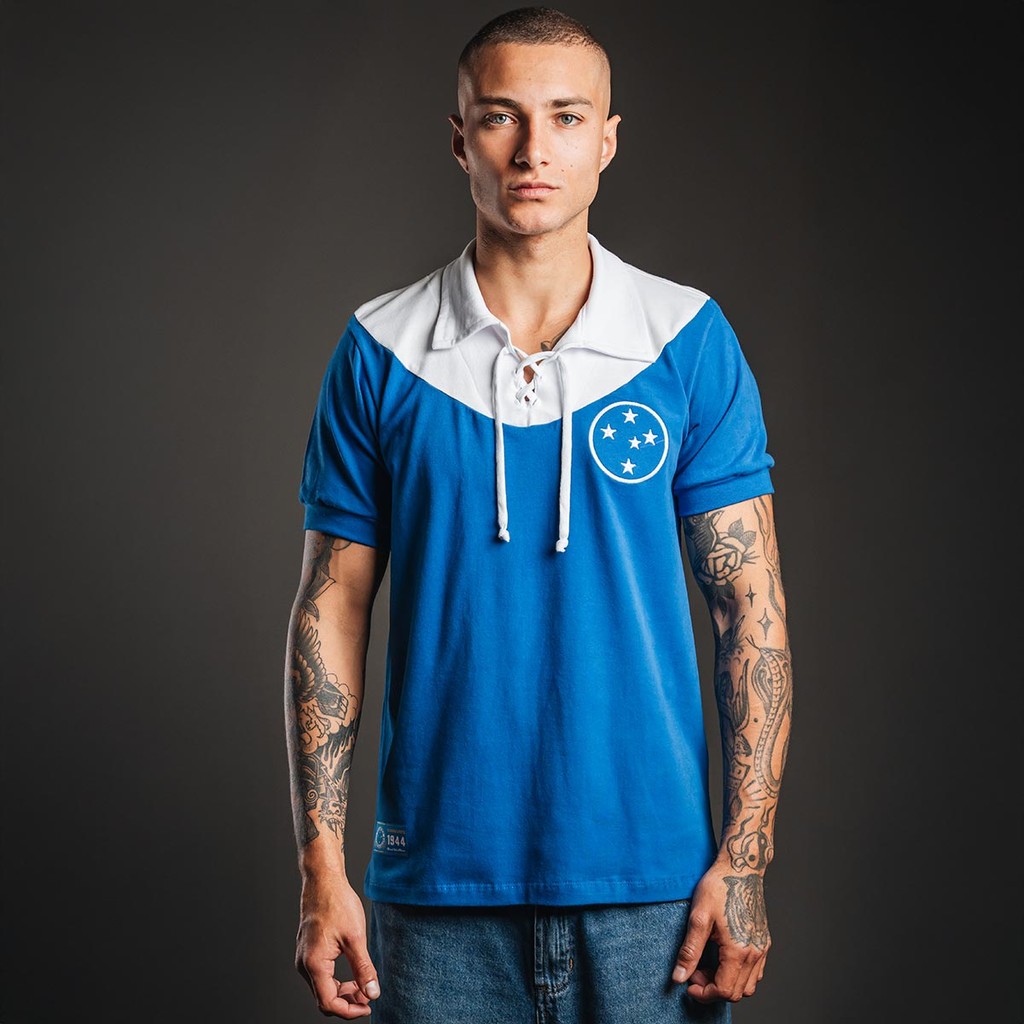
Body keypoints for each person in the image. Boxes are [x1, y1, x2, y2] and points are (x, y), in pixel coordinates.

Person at [283, 7, 794, 1022]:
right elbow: (329, 609)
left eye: (565, 117)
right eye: (500, 117)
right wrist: (320, 869)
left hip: (656, 897)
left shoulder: (685, 337)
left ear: (607, 139)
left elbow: (751, 607)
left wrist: (744, 859)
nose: (532, 150)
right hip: (434, 898)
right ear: (458, 137)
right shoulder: (381, 349)